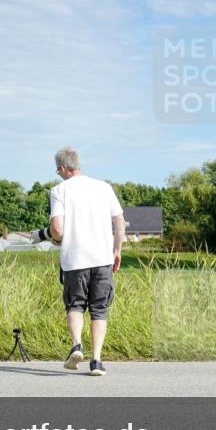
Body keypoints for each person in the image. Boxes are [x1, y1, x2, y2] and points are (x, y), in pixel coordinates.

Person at [33, 147, 125, 376]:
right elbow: (120, 223)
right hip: (102, 259)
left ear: (63, 168)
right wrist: (117, 250)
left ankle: (76, 345)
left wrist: (45, 235)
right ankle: (96, 361)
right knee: (99, 309)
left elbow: (57, 230)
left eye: (58, 170)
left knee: (75, 305)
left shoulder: (59, 190)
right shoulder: (104, 187)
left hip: (75, 260)